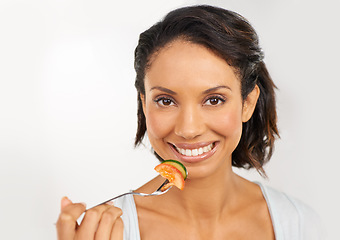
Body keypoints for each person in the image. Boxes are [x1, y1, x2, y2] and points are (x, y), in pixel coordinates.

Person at [56, 5, 323, 240]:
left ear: (247, 103)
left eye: (215, 100)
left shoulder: (301, 224)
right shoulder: (101, 232)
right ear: (144, 104)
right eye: (165, 101)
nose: (189, 129)